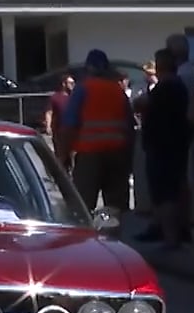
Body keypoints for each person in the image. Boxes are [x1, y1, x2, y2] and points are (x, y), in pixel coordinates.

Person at [61, 49, 135, 216]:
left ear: (88, 68)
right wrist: (129, 159)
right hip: (117, 155)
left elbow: (69, 125)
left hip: (89, 155)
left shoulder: (83, 89)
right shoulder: (118, 91)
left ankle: (87, 240)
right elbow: (129, 127)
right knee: (116, 209)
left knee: (82, 208)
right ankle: (115, 240)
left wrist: (63, 155)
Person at [140, 48, 193, 247]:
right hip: (176, 144)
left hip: (162, 146)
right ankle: (176, 232)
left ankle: (170, 238)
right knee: (174, 189)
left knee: (165, 193)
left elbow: (148, 109)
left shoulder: (165, 88)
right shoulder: (179, 87)